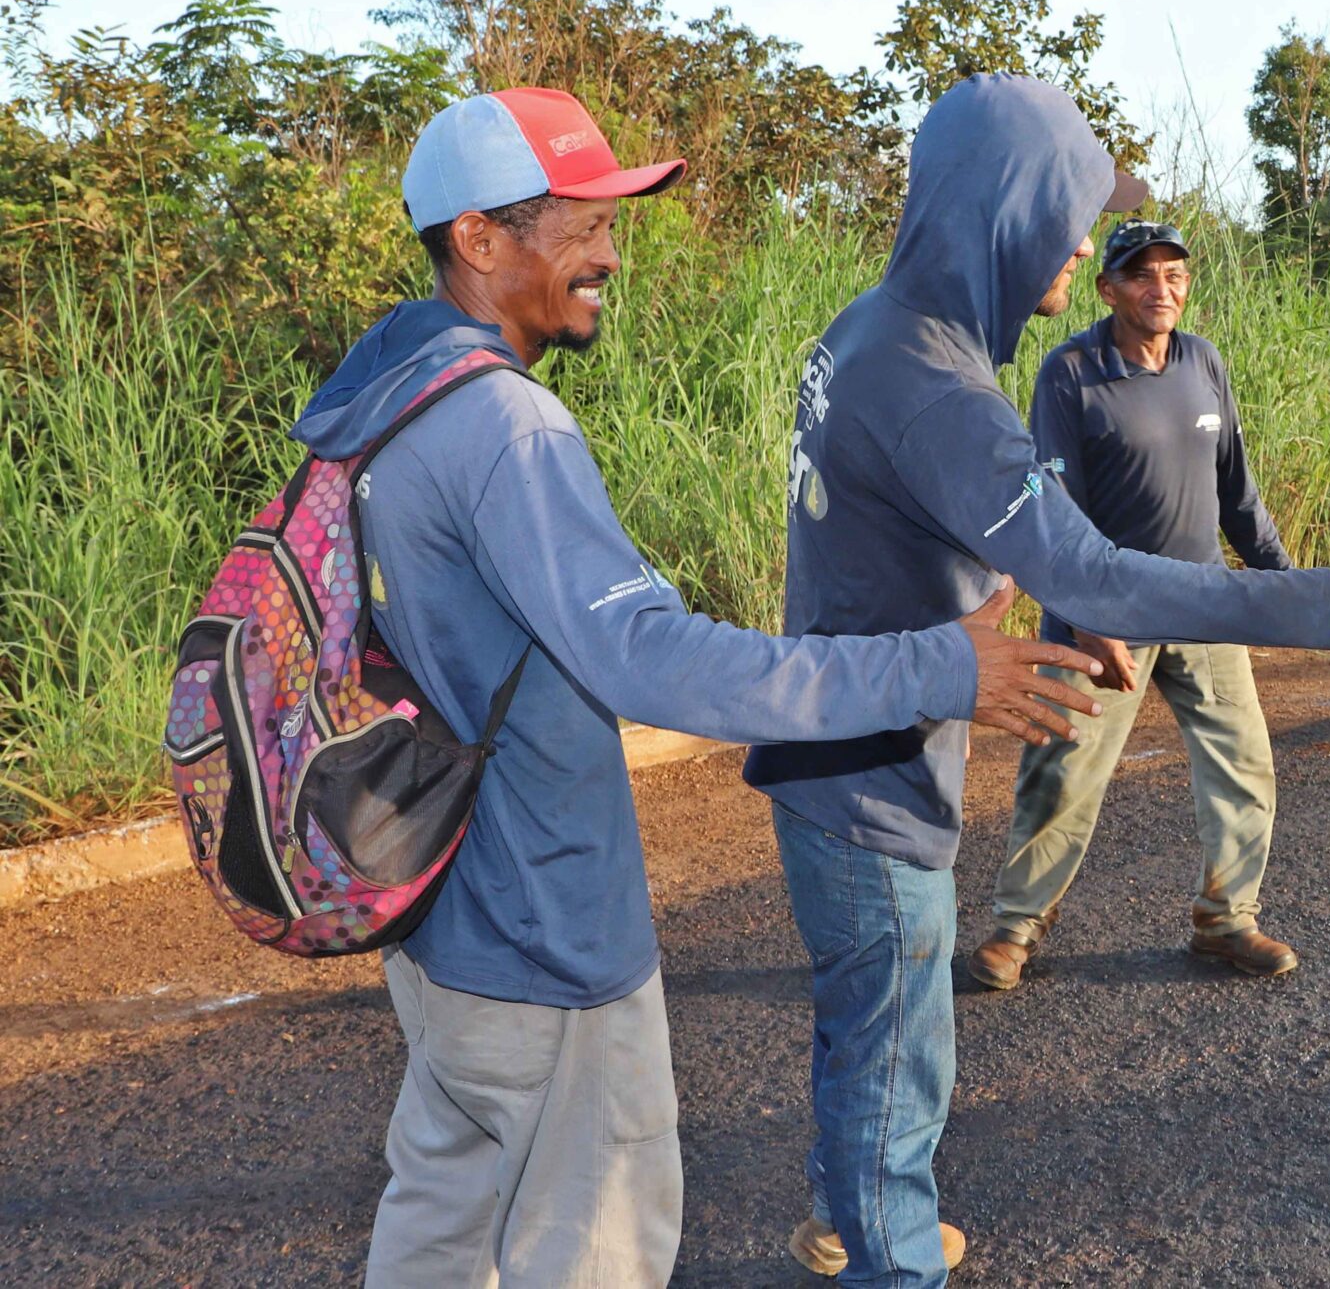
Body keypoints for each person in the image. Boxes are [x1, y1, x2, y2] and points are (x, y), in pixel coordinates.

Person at [317, 86, 1102, 1288]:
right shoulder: (509, 431)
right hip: (545, 926)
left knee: (445, 1212)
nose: (609, 254)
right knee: (594, 1241)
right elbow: (658, 659)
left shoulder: (384, 398)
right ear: (478, 238)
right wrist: (942, 661)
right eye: (579, 224)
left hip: (438, 908)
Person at [743, 73, 1330, 1286]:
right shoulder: (938, 385)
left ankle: (845, 1219)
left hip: (835, 746)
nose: (1086, 243)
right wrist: (1323, 601)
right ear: (1003, 209)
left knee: (861, 1025)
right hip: (867, 775)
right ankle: (892, 1257)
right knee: (899, 1048)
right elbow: (1096, 569)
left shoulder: (867, 329)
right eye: (1069, 212)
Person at [969, 218, 1303, 992]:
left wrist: (1287, 587)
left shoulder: (1204, 362)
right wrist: (1088, 618)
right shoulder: (1070, 372)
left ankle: (1227, 922)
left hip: (1201, 601)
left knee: (1243, 763)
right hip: (1105, 607)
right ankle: (1016, 929)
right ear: (1108, 286)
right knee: (1061, 768)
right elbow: (1052, 507)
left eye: (1175, 275)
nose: (1162, 290)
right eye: (1143, 275)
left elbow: (1238, 495)